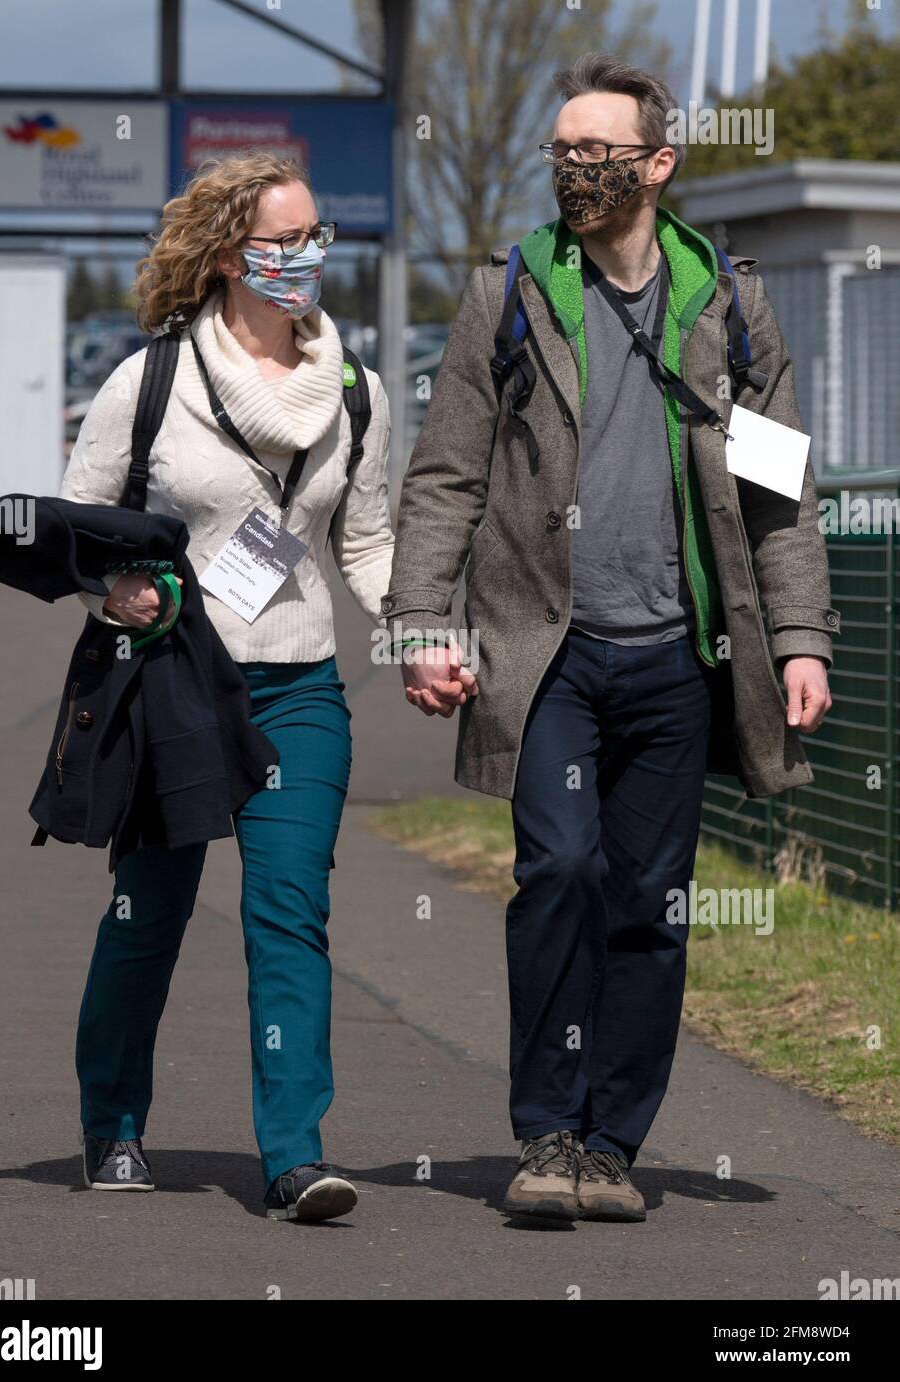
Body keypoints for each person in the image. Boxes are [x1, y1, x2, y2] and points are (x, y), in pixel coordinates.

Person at [383, 53, 839, 1223]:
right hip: (548, 651)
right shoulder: (511, 291)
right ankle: (543, 1131)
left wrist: (799, 640)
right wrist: (425, 623)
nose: (575, 166)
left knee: (649, 898)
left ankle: (610, 1141)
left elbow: (780, 496)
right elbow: (443, 476)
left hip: (682, 660)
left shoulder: (730, 303)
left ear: (657, 162)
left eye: (598, 149)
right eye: (564, 149)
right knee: (562, 871)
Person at [61, 151, 394, 1222]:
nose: (303, 260)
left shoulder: (355, 390)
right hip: (173, 688)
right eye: (280, 243)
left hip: (298, 689)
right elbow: (82, 530)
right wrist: (115, 591)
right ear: (224, 255)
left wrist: (427, 631)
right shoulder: (148, 381)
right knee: (146, 912)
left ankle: (294, 1157)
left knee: (287, 913)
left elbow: (370, 540)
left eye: (314, 240)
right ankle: (112, 1124)